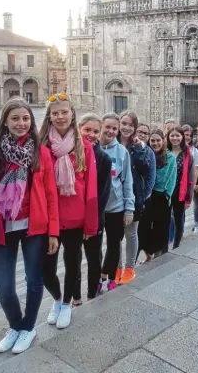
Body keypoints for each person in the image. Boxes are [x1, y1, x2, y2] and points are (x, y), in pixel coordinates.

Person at [0, 98, 59, 354]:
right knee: (4, 287)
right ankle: (16, 325)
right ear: (5, 121)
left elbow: (51, 194)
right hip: (2, 228)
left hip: (35, 226)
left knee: (34, 279)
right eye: (15, 118)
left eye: (25, 119)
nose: (21, 123)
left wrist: (54, 231)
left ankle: (28, 328)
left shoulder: (41, 153)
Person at [39, 94, 98, 330]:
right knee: (46, 269)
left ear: (72, 114)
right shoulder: (42, 145)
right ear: (49, 117)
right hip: (48, 220)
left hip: (76, 218)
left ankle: (66, 304)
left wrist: (91, 224)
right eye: (55, 113)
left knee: (73, 265)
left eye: (64, 112)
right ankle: (56, 298)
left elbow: (91, 186)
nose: (60, 116)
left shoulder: (83, 147)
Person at [116, 110, 155, 284]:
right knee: (115, 235)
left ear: (135, 127)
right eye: (123, 123)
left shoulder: (141, 147)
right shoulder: (111, 142)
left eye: (131, 125)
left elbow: (145, 170)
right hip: (114, 197)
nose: (126, 127)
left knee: (131, 233)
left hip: (133, 196)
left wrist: (139, 149)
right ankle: (116, 267)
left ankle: (130, 268)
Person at [77, 113, 112, 302]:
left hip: (94, 218)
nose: (91, 134)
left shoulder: (104, 159)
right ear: (79, 129)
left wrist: (91, 223)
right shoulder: (69, 153)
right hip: (72, 218)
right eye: (87, 130)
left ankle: (92, 293)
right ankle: (75, 298)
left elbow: (102, 196)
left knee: (93, 258)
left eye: (95, 131)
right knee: (73, 260)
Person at [99, 112, 135, 292]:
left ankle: (110, 276)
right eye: (108, 127)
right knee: (95, 247)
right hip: (96, 208)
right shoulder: (92, 148)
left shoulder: (121, 152)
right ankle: (97, 277)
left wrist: (129, 209)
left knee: (114, 244)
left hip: (116, 206)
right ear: (101, 126)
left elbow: (127, 181)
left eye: (115, 128)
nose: (111, 131)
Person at [138, 129, 176, 260]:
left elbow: (172, 177)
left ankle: (159, 253)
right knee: (145, 225)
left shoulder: (169, 156)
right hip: (149, 194)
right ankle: (148, 252)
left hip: (162, 196)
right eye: (153, 140)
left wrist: (167, 194)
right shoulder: (146, 154)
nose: (155, 143)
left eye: (158, 140)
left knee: (161, 226)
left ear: (163, 141)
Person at [167, 126, 194, 249]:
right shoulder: (164, 151)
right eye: (172, 135)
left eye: (177, 135)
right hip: (165, 192)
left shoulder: (187, 154)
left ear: (182, 137)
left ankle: (176, 245)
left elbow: (191, 177)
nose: (175, 138)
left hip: (180, 191)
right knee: (165, 220)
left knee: (178, 219)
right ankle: (164, 245)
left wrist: (189, 198)